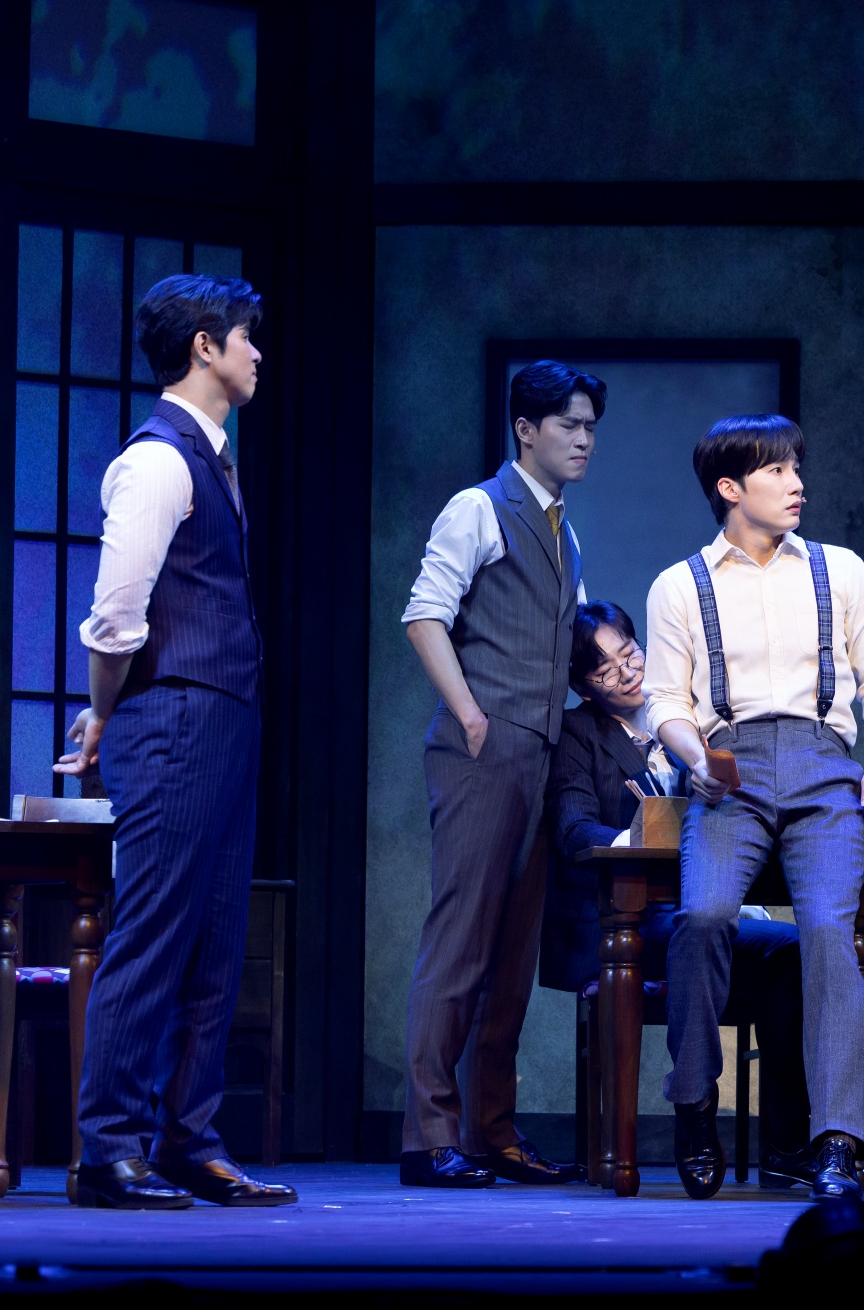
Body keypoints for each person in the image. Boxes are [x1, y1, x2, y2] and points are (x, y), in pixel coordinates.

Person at [544, 601, 864, 1192]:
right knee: (733, 931)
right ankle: (705, 1116)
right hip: (629, 922)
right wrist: (639, 836)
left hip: (697, 906)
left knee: (814, 951)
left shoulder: (689, 718)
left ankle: (838, 1140)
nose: (627, 672)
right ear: (583, 687)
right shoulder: (579, 734)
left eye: (630, 653)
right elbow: (571, 827)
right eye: (605, 670)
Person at [56, 274, 294, 1209]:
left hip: (222, 717)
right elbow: (116, 615)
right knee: (155, 932)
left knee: (216, 941)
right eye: (245, 335)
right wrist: (104, 711)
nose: (257, 351)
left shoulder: (213, 457)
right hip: (174, 718)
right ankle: (108, 1148)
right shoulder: (158, 461)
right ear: (204, 345)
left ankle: (189, 1138)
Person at [643, 414, 864, 1201]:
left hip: (824, 768)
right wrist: (697, 758)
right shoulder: (681, 584)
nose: (797, 483)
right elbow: (666, 701)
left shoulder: (839, 570)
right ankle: (695, 1101)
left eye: (797, 467)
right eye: (777, 470)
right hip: (731, 771)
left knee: (828, 933)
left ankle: (838, 1140)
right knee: (703, 916)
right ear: (731, 488)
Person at [395, 360, 603, 1188]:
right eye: (569, 425)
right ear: (526, 429)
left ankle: (490, 1131)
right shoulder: (478, 508)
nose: (584, 439)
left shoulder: (565, 534)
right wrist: (471, 714)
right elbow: (424, 613)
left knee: (512, 956)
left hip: (539, 753)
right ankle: (428, 1135)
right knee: (461, 943)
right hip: (484, 749)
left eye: (590, 427)